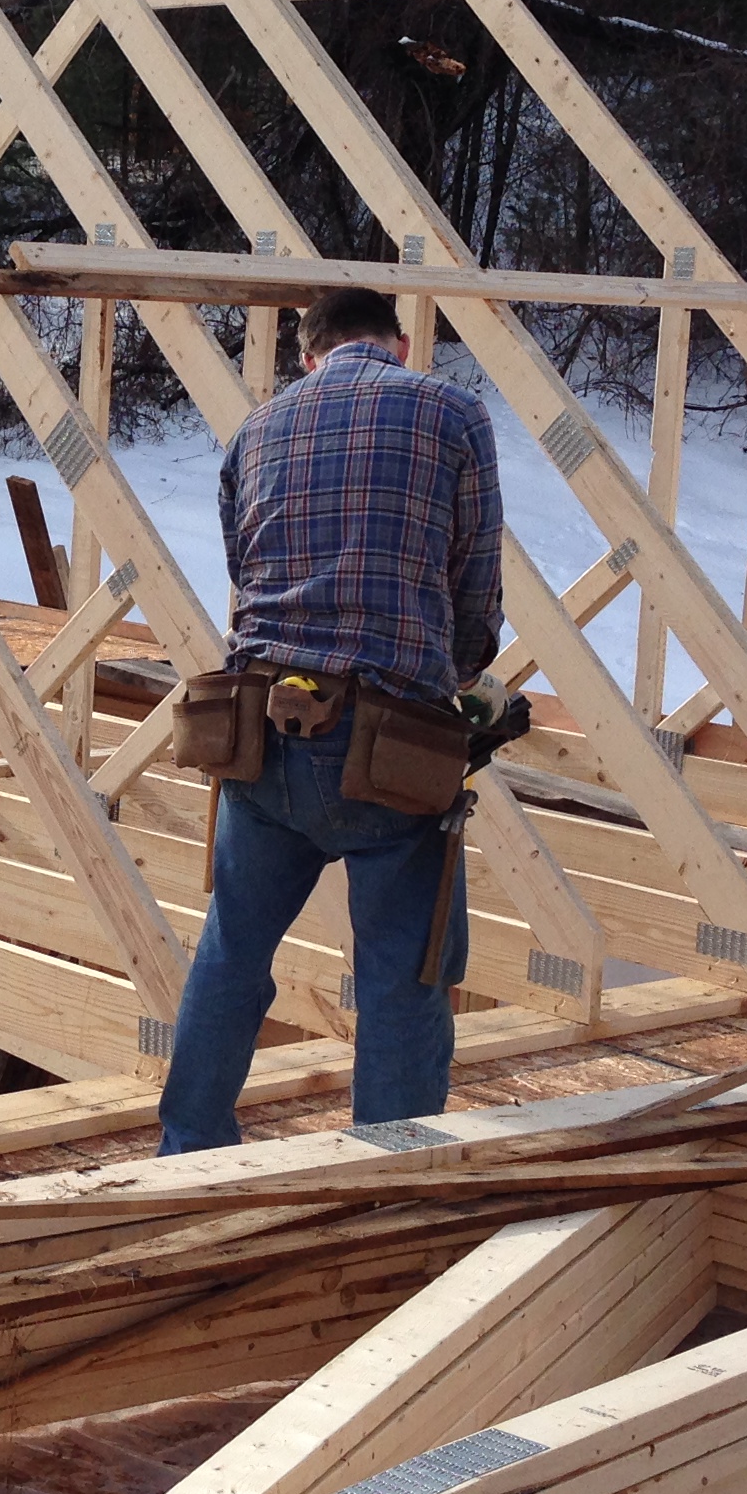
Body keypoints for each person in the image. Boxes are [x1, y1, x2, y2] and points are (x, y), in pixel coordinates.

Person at [156, 284, 505, 1152]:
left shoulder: (258, 429)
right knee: (403, 976)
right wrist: (462, 675)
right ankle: (389, 1170)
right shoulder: (452, 413)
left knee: (233, 950)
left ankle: (188, 1148)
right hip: (389, 745)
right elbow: (473, 582)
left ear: (308, 355)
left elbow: (245, 571)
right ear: (398, 343)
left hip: (261, 732)